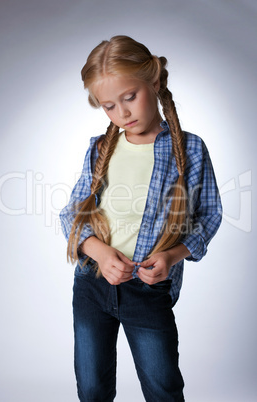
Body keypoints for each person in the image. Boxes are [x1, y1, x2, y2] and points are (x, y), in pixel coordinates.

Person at [59, 35, 222, 402]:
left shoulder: (189, 149)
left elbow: (209, 215)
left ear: (155, 82)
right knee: (92, 387)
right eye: (109, 106)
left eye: (130, 97)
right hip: (91, 283)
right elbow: (72, 211)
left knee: (163, 388)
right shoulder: (101, 149)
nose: (123, 114)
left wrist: (171, 256)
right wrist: (99, 252)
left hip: (148, 290)